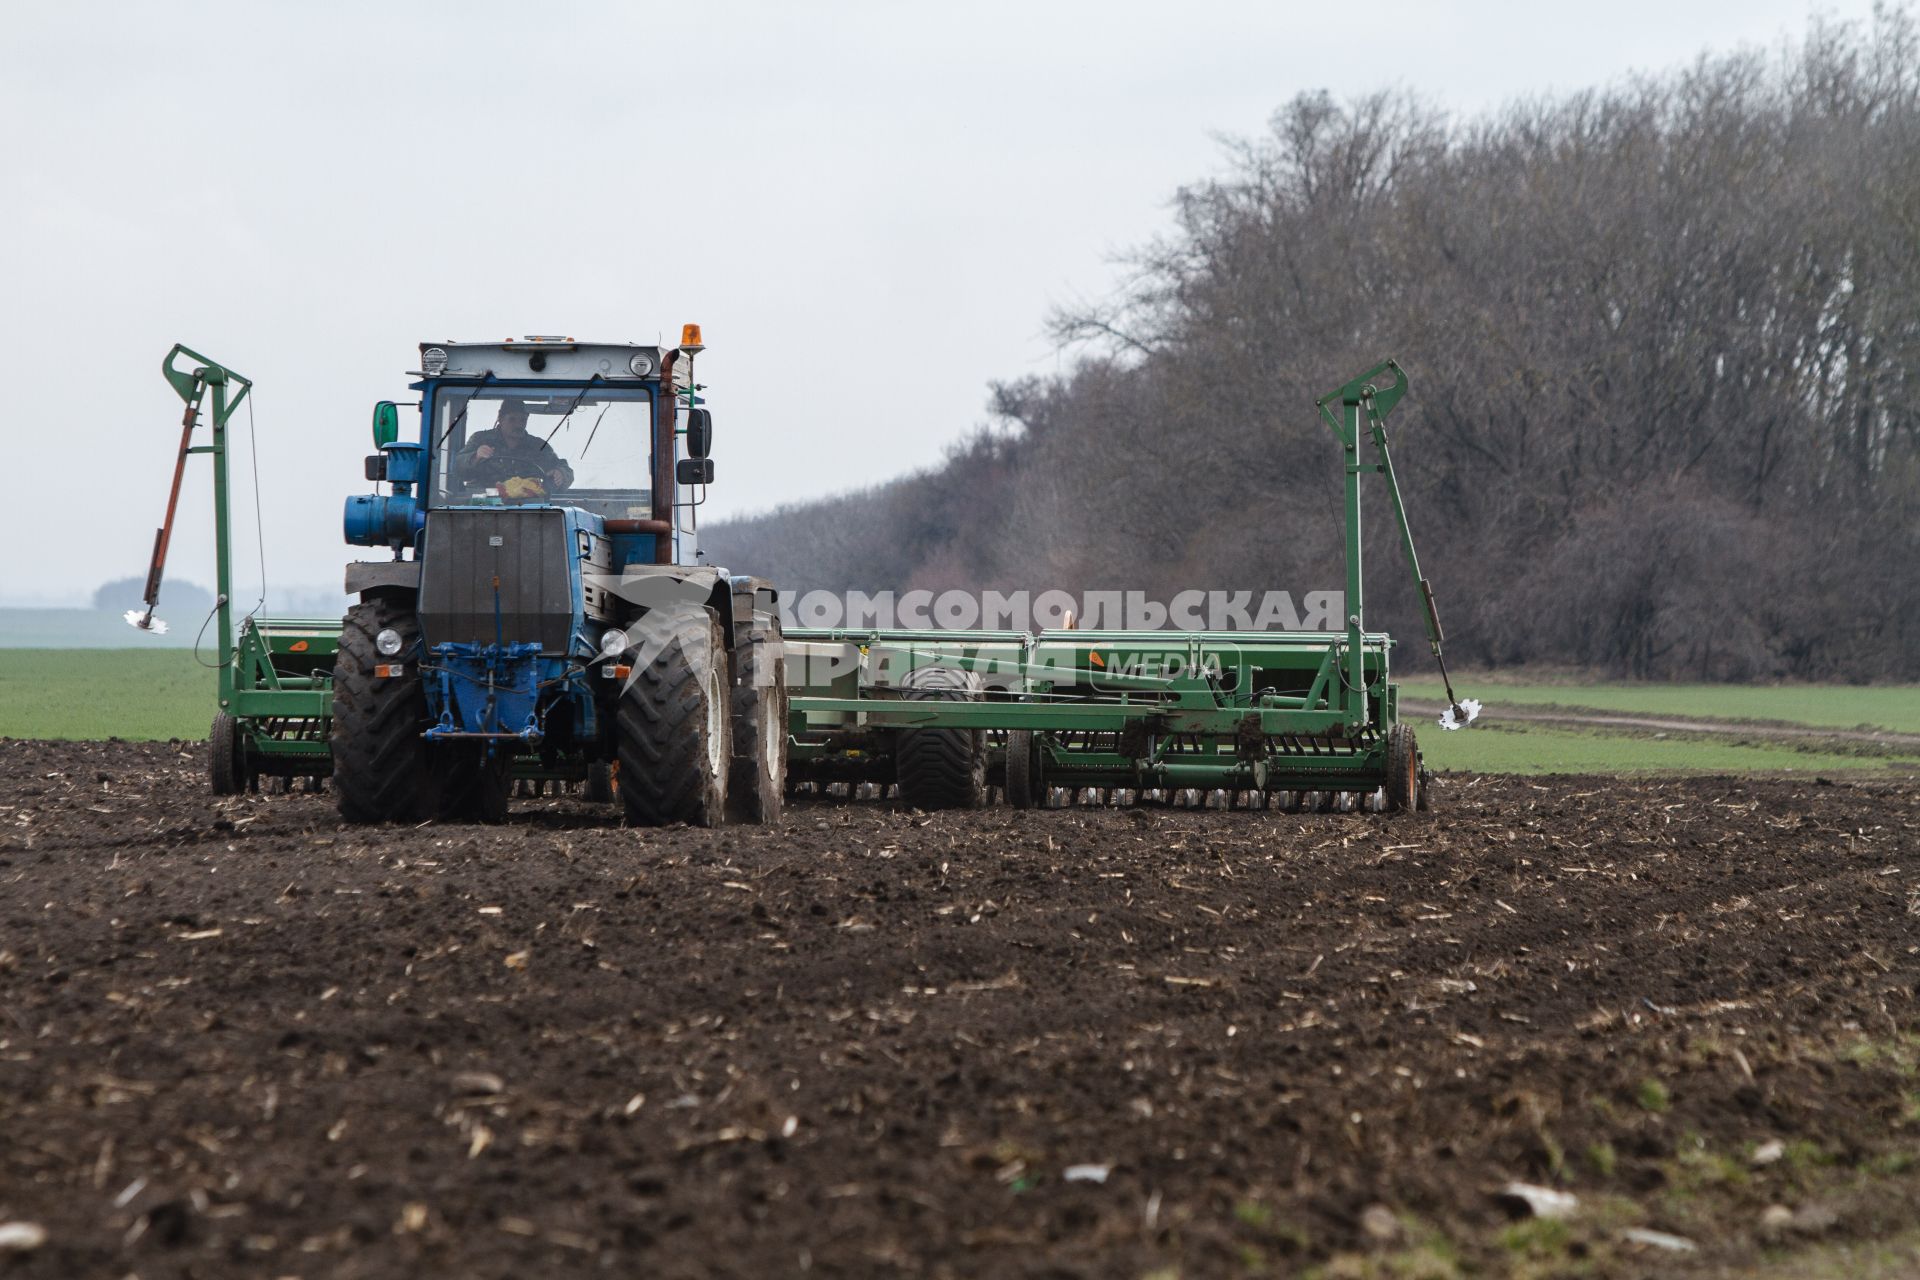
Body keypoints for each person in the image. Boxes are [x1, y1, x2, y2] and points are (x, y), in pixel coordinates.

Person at [456, 400, 574, 494]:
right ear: (500, 419)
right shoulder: (480, 439)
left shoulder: (538, 446)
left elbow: (563, 468)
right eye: (512, 419)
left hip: (529, 509)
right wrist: (476, 456)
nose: (518, 425)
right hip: (483, 507)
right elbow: (457, 468)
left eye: (523, 420)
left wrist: (561, 473)